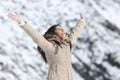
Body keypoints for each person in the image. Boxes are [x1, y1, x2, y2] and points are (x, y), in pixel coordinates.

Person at [8, 12, 86, 80]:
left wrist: (82, 21)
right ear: (53, 33)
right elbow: (36, 37)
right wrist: (21, 22)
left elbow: (75, 33)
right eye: (59, 29)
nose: (62, 30)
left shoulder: (67, 43)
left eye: (62, 29)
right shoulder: (50, 46)